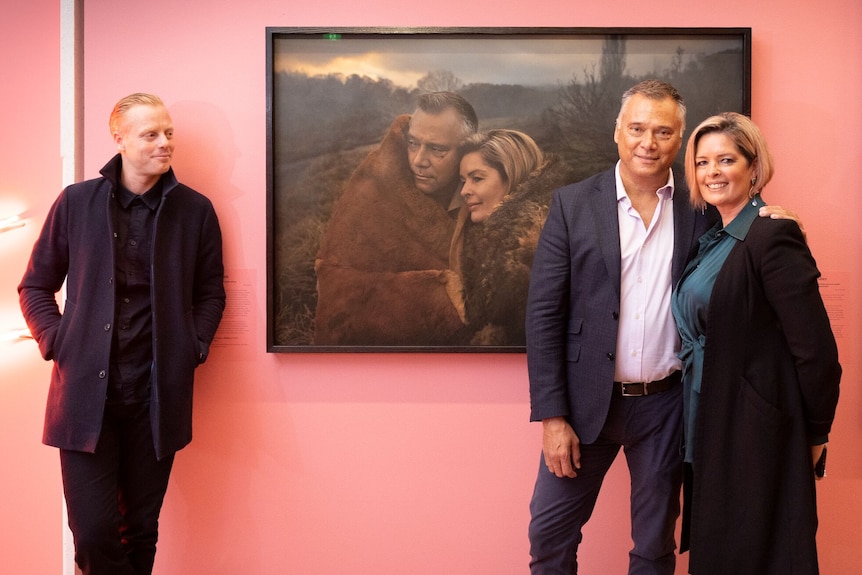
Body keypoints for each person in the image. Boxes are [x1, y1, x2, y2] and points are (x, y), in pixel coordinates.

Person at [524, 80, 801, 574]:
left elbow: (746, 241)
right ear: (617, 132)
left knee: (653, 547)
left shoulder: (702, 209)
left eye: (663, 131)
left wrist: (778, 219)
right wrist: (552, 417)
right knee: (548, 535)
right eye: (636, 128)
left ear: (680, 141)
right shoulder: (572, 205)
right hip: (585, 406)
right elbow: (543, 315)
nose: (647, 142)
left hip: (667, 407)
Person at [18, 93, 225, 575]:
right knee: (92, 534)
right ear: (120, 140)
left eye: (168, 132)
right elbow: (35, 285)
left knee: (141, 532)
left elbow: (211, 293)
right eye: (151, 134)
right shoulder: (76, 203)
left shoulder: (195, 211)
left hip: (157, 396)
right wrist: (57, 341)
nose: (164, 143)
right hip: (85, 399)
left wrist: (192, 347)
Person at [672, 112, 840, 575]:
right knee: (719, 548)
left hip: (756, 429)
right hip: (705, 415)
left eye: (726, 160)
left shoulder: (773, 234)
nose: (712, 172)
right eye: (703, 162)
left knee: (754, 553)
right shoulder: (709, 238)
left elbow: (817, 352)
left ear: (753, 167)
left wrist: (815, 434)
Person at [314, 91, 478, 346]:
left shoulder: (487, 195)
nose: (419, 160)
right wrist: (437, 296)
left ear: (467, 150)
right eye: (413, 143)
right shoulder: (371, 193)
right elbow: (338, 298)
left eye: (437, 149)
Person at [450, 129, 573, 345]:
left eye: (477, 178)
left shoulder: (536, 243)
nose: (464, 191)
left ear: (513, 176)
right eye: (463, 181)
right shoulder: (484, 237)